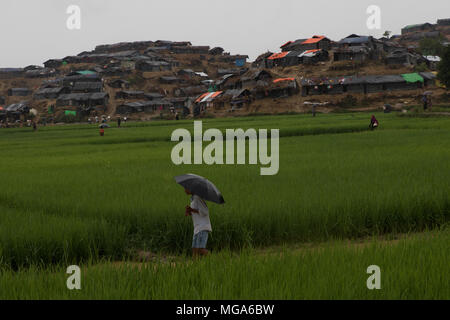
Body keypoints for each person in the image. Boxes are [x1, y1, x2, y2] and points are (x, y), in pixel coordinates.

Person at [184, 188, 212, 258]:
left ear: (191, 189)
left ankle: (215, 259)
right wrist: (189, 212)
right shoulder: (193, 199)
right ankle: (195, 267)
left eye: (186, 188)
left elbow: (205, 211)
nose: (185, 190)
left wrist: (192, 209)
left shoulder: (197, 198)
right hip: (197, 228)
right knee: (194, 250)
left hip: (202, 227)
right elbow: (197, 212)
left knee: (200, 249)